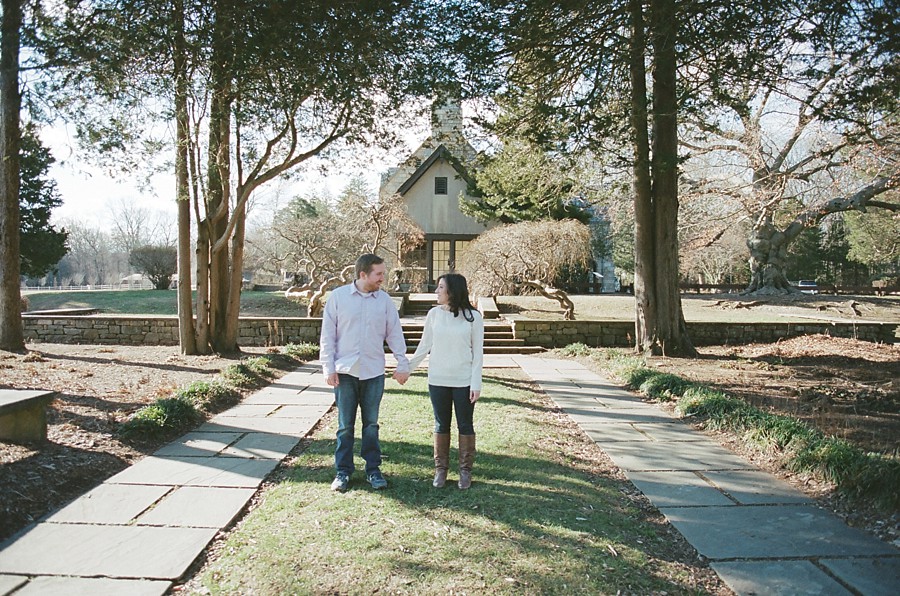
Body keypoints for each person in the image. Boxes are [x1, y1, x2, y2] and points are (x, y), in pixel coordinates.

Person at [320, 254, 410, 492]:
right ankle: (343, 472)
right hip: (345, 372)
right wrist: (328, 368)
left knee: (371, 425)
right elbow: (327, 336)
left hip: (373, 373)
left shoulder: (385, 302)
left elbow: (395, 334)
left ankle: (373, 470)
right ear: (363, 274)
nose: (383, 278)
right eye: (379, 274)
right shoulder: (338, 298)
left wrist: (403, 363)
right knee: (344, 427)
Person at [408, 273, 484, 489]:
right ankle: (440, 470)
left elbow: (478, 354)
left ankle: (465, 472)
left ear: (452, 291)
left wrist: (475, 384)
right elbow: (424, 346)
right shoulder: (433, 314)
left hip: (464, 382)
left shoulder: (473, 317)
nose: (436, 291)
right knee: (441, 424)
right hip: (438, 380)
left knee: (465, 425)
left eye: (440, 287)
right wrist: (407, 369)